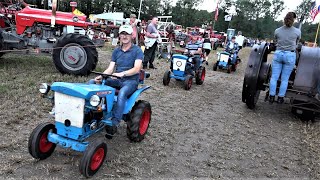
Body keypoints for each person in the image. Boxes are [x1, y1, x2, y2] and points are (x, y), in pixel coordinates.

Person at [91, 25, 144, 136]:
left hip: (131, 81)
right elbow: (110, 68)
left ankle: (114, 122)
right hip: (118, 79)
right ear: (119, 35)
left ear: (131, 35)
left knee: (122, 93)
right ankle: (90, 111)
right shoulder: (116, 51)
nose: (124, 36)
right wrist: (102, 76)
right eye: (122, 34)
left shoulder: (137, 50)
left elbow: (137, 68)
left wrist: (122, 73)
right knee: (92, 83)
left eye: (127, 34)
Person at [268, 12, 301, 104]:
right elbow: (297, 43)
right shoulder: (297, 31)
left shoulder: (277, 30)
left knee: (274, 77)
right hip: (290, 55)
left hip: (278, 53)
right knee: (285, 79)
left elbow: (275, 41)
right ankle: (280, 98)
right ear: (293, 20)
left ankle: (271, 96)